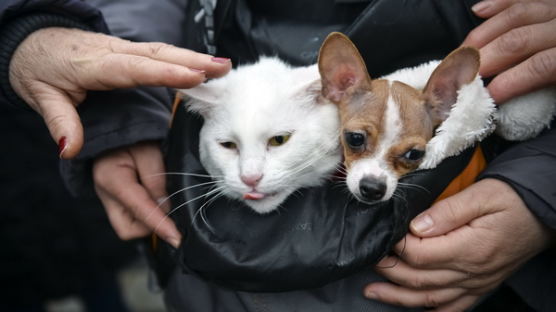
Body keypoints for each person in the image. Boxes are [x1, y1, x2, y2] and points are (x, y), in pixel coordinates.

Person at [1, 0, 555, 311]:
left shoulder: (441, 105)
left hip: (473, 259)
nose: (250, 176)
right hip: (211, 266)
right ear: (337, 85)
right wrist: (112, 92)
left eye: (405, 155)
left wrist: (541, 188)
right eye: (358, 141)